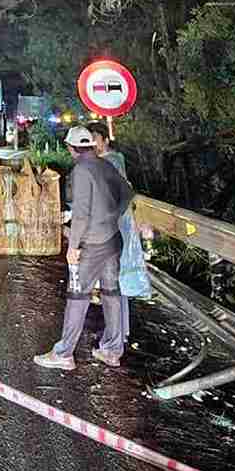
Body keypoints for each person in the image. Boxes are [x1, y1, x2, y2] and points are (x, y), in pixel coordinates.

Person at [36, 125, 134, 371]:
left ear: (71, 148)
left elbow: (80, 214)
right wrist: (113, 214)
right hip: (112, 239)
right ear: (90, 145)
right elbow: (128, 191)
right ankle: (112, 350)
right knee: (111, 293)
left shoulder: (81, 170)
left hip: (91, 246)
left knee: (77, 296)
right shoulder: (105, 164)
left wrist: (74, 246)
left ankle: (64, 353)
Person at [96, 139, 149, 365]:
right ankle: (118, 338)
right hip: (117, 236)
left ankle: (112, 347)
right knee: (118, 290)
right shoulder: (116, 164)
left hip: (111, 238)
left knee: (112, 291)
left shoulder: (108, 165)